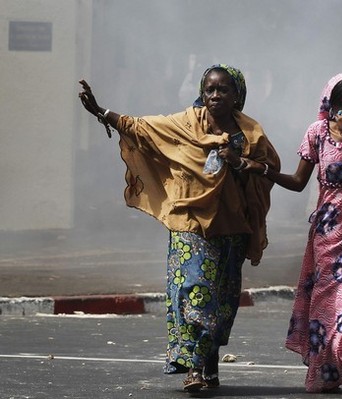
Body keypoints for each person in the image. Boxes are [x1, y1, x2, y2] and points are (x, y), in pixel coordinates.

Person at [78, 64, 280, 393]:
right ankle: (195, 369)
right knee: (194, 292)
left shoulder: (251, 134)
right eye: (210, 89)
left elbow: (266, 173)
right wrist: (101, 111)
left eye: (223, 90)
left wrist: (239, 163)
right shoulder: (184, 124)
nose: (215, 95)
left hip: (231, 229)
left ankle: (209, 361)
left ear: (237, 95)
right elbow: (139, 127)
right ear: (202, 93)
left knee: (221, 301)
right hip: (189, 224)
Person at [247, 73, 342, 393]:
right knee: (325, 315)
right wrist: (264, 171)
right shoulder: (317, 133)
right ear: (328, 105)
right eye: (339, 105)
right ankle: (334, 371)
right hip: (329, 235)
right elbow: (299, 182)